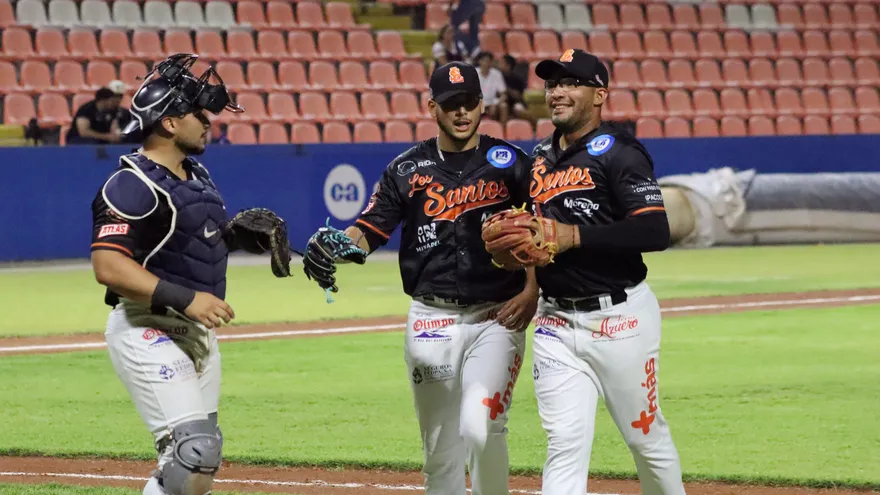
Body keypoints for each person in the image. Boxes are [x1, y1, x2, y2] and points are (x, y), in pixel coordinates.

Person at [301, 61, 538, 495]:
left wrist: (532, 290)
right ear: (432, 108)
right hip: (431, 317)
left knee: (482, 427)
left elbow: (543, 231)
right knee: (440, 449)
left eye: (469, 103)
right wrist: (338, 246)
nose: (461, 113)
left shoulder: (510, 163)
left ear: (483, 105)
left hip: (496, 316)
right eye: (451, 105)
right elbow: (370, 228)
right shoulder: (406, 169)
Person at [90, 53, 294, 495]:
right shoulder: (131, 183)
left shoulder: (196, 175)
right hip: (148, 328)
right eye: (198, 114)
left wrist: (240, 239)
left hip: (197, 333)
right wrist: (187, 299)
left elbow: (191, 243)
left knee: (197, 466)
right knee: (193, 452)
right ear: (168, 122)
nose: (208, 123)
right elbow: (107, 266)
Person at [494, 48, 688, 495]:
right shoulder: (539, 157)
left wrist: (574, 237)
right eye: (552, 83)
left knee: (645, 438)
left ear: (599, 95)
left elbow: (655, 229)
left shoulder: (621, 153)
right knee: (564, 443)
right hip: (555, 323)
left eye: (570, 83)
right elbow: (535, 237)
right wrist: (528, 285)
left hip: (620, 318)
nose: (557, 92)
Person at [498, 55, 536, 125]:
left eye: (501, 63)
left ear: (508, 66)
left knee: (521, 111)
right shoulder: (497, 76)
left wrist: (507, 90)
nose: (498, 65)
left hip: (515, 103)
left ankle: (536, 130)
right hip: (501, 103)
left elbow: (519, 96)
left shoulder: (517, 79)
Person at [474, 51, 509, 125]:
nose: (487, 63)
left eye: (489, 61)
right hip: (477, 102)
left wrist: (496, 104)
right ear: (480, 61)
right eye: (485, 61)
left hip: (492, 102)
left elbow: (503, 94)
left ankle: (503, 132)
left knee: (504, 106)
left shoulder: (497, 74)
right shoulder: (473, 73)